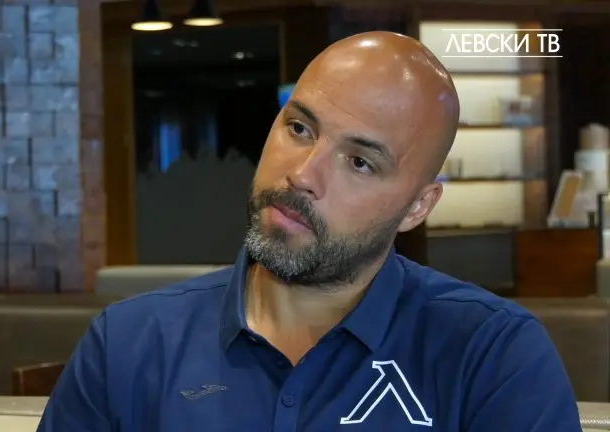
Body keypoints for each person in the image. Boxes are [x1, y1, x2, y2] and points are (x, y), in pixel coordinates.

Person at [38, 31, 582, 431]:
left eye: (360, 162)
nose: (303, 174)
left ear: (418, 207)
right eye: (299, 128)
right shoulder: (129, 344)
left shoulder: (494, 357)